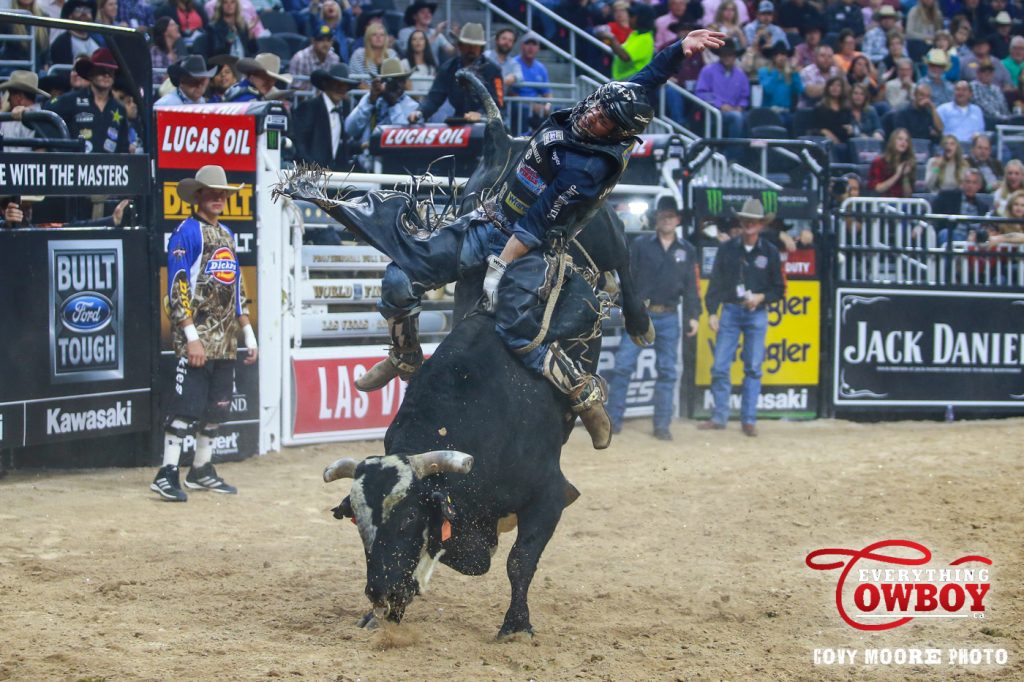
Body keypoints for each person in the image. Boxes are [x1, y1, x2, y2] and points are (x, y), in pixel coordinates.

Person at [284, 31, 726, 451]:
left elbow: (536, 222)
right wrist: (678, 50)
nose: (593, 116)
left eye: (604, 119)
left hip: (530, 245)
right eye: (597, 108)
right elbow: (641, 81)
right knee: (399, 277)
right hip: (487, 217)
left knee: (516, 330)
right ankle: (404, 355)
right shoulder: (604, 110)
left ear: (616, 132)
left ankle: (582, 392)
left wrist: (499, 268)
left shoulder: (588, 168)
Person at [153, 165, 256, 502]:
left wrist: (248, 332)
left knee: (218, 408)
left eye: (222, 193)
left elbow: (236, 285)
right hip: (197, 338)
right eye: (211, 192)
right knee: (187, 406)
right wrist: (190, 334)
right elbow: (177, 286)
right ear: (197, 195)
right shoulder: (187, 232)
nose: (218, 198)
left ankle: (201, 468)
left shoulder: (226, 235)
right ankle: (166, 472)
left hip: (225, 341)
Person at [606, 197, 701, 441]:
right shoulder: (640, 245)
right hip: (642, 313)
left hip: (669, 315)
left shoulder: (686, 250)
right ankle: (612, 421)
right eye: (662, 216)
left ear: (678, 220)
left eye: (671, 216)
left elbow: (692, 286)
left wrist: (693, 316)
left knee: (667, 371)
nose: (666, 220)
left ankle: (662, 425)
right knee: (623, 366)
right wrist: (626, 306)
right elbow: (627, 277)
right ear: (656, 219)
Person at [697, 198, 784, 437]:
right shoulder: (727, 249)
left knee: (753, 368)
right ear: (741, 221)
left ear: (761, 224)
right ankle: (721, 416)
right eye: (746, 219)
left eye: (753, 221)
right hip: (731, 311)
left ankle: (748, 419)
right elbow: (715, 283)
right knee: (720, 367)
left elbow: (779, 290)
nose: (749, 224)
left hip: (756, 313)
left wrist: (760, 297)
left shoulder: (771, 252)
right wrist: (712, 312)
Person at [409, 23, 504, 124]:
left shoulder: (493, 70)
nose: (471, 49)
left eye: (475, 45)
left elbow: (498, 102)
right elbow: (434, 97)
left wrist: (481, 114)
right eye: (467, 45)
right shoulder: (448, 68)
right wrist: (420, 111)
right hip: (459, 120)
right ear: (460, 46)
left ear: (481, 48)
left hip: (488, 124)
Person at [45, 48, 129, 154]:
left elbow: (124, 148)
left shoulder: (119, 109)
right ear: (90, 73)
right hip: (78, 166)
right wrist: (25, 112)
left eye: (110, 71)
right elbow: (46, 112)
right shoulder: (72, 100)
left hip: (111, 167)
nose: (106, 75)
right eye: (101, 70)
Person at [344, 58, 418, 167]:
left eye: (398, 80)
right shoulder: (371, 99)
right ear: (382, 82)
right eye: (389, 81)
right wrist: (370, 100)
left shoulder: (413, 107)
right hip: (366, 166)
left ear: (404, 82)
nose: (394, 85)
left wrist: (394, 105)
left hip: (397, 167)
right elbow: (350, 129)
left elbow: (404, 139)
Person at [291, 63, 361, 170]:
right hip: (310, 177)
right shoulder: (309, 107)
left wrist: (363, 146)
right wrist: (314, 169)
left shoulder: (343, 111)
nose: (340, 88)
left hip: (333, 177)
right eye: (336, 83)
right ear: (326, 84)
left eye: (344, 84)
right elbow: (299, 145)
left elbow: (337, 146)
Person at [695, 41, 749, 139]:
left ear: (735, 56)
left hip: (735, 110)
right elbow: (701, 93)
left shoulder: (741, 74)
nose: (727, 57)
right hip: (714, 112)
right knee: (736, 118)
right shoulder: (708, 70)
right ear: (720, 55)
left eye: (730, 55)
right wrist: (720, 105)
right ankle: (732, 152)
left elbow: (744, 96)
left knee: (751, 117)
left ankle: (746, 152)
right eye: (724, 55)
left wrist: (740, 106)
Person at [506, 32, 552, 134]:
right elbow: (509, 92)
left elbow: (547, 93)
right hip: (517, 106)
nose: (530, 47)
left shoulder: (541, 68)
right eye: (528, 44)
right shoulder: (512, 64)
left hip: (536, 108)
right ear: (522, 46)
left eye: (534, 44)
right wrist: (532, 106)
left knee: (557, 111)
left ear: (538, 48)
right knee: (523, 110)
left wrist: (548, 106)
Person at [932, 168, 990, 244]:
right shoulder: (948, 196)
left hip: (974, 239)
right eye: (967, 182)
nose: (970, 186)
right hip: (954, 234)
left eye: (974, 183)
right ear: (962, 183)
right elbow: (932, 212)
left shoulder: (983, 206)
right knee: (945, 233)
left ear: (979, 186)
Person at [600, 3, 656, 81]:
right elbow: (620, 50)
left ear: (642, 18)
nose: (629, 18)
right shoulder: (635, 34)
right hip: (622, 81)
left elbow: (625, 56)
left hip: (632, 82)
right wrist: (608, 40)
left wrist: (612, 39)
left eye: (632, 16)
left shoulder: (646, 39)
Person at [0, 71, 50, 152]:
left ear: (19, 97)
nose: (8, 99)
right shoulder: (7, 117)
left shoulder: (42, 119)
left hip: (25, 162)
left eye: (10, 94)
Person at [48, 0, 105, 64]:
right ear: (70, 15)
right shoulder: (61, 42)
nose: (84, 14)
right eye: (79, 9)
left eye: (87, 10)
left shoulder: (97, 40)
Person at [289, 23, 342, 89]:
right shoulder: (300, 58)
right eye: (321, 40)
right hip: (303, 98)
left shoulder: (334, 58)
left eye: (328, 40)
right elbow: (295, 89)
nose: (325, 44)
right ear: (313, 41)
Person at [868, 127, 916, 197]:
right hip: (883, 203)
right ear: (893, 141)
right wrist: (897, 175)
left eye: (906, 140)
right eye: (900, 139)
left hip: (902, 204)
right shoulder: (879, 162)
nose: (903, 142)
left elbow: (908, 195)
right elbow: (878, 188)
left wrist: (905, 176)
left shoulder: (908, 163)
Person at [758, 41, 802, 117]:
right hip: (769, 112)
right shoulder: (763, 72)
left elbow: (799, 90)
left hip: (787, 112)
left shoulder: (791, 73)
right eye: (777, 54)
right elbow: (768, 90)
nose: (780, 57)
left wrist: (794, 72)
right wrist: (776, 72)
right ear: (773, 57)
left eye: (783, 54)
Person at [225, 52, 292, 102]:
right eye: (264, 77)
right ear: (251, 75)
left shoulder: (239, 89)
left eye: (273, 79)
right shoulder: (248, 99)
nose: (269, 82)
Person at [936, 80, 985, 144]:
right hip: (950, 147)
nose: (960, 93)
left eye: (964, 90)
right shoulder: (942, 109)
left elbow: (980, 132)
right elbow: (937, 131)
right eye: (957, 89)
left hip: (971, 148)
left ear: (970, 94)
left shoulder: (977, 110)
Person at [150, 17, 182, 84]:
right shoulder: (155, 52)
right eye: (173, 25)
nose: (177, 26)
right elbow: (156, 78)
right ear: (165, 31)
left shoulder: (177, 51)